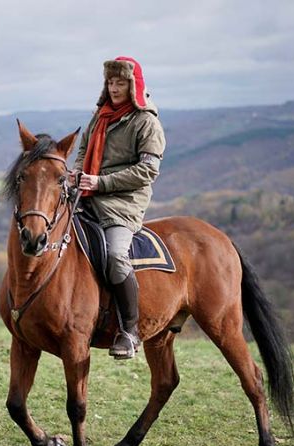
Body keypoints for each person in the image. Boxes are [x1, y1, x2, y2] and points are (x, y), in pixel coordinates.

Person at [73, 56, 166, 360]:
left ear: (133, 85)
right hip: (88, 191)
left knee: (115, 255)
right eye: (110, 82)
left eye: (120, 82)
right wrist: (76, 176)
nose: (114, 88)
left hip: (124, 201)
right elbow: (83, 151)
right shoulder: (99, 115)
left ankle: (129, 331)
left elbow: (147, 172)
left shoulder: (147, 122)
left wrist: (100, 183)